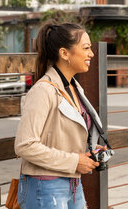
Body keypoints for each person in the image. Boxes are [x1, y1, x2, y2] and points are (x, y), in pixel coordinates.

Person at [15, 22, 104, 209]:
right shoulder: (43, 90)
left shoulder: (74, 88)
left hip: (72, 184)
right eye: (86, 48)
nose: (91, 54)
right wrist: (75, 161)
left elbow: (59, 135)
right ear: (64, 53)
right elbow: (25, 145)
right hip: (45, 187)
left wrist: (88, 152)